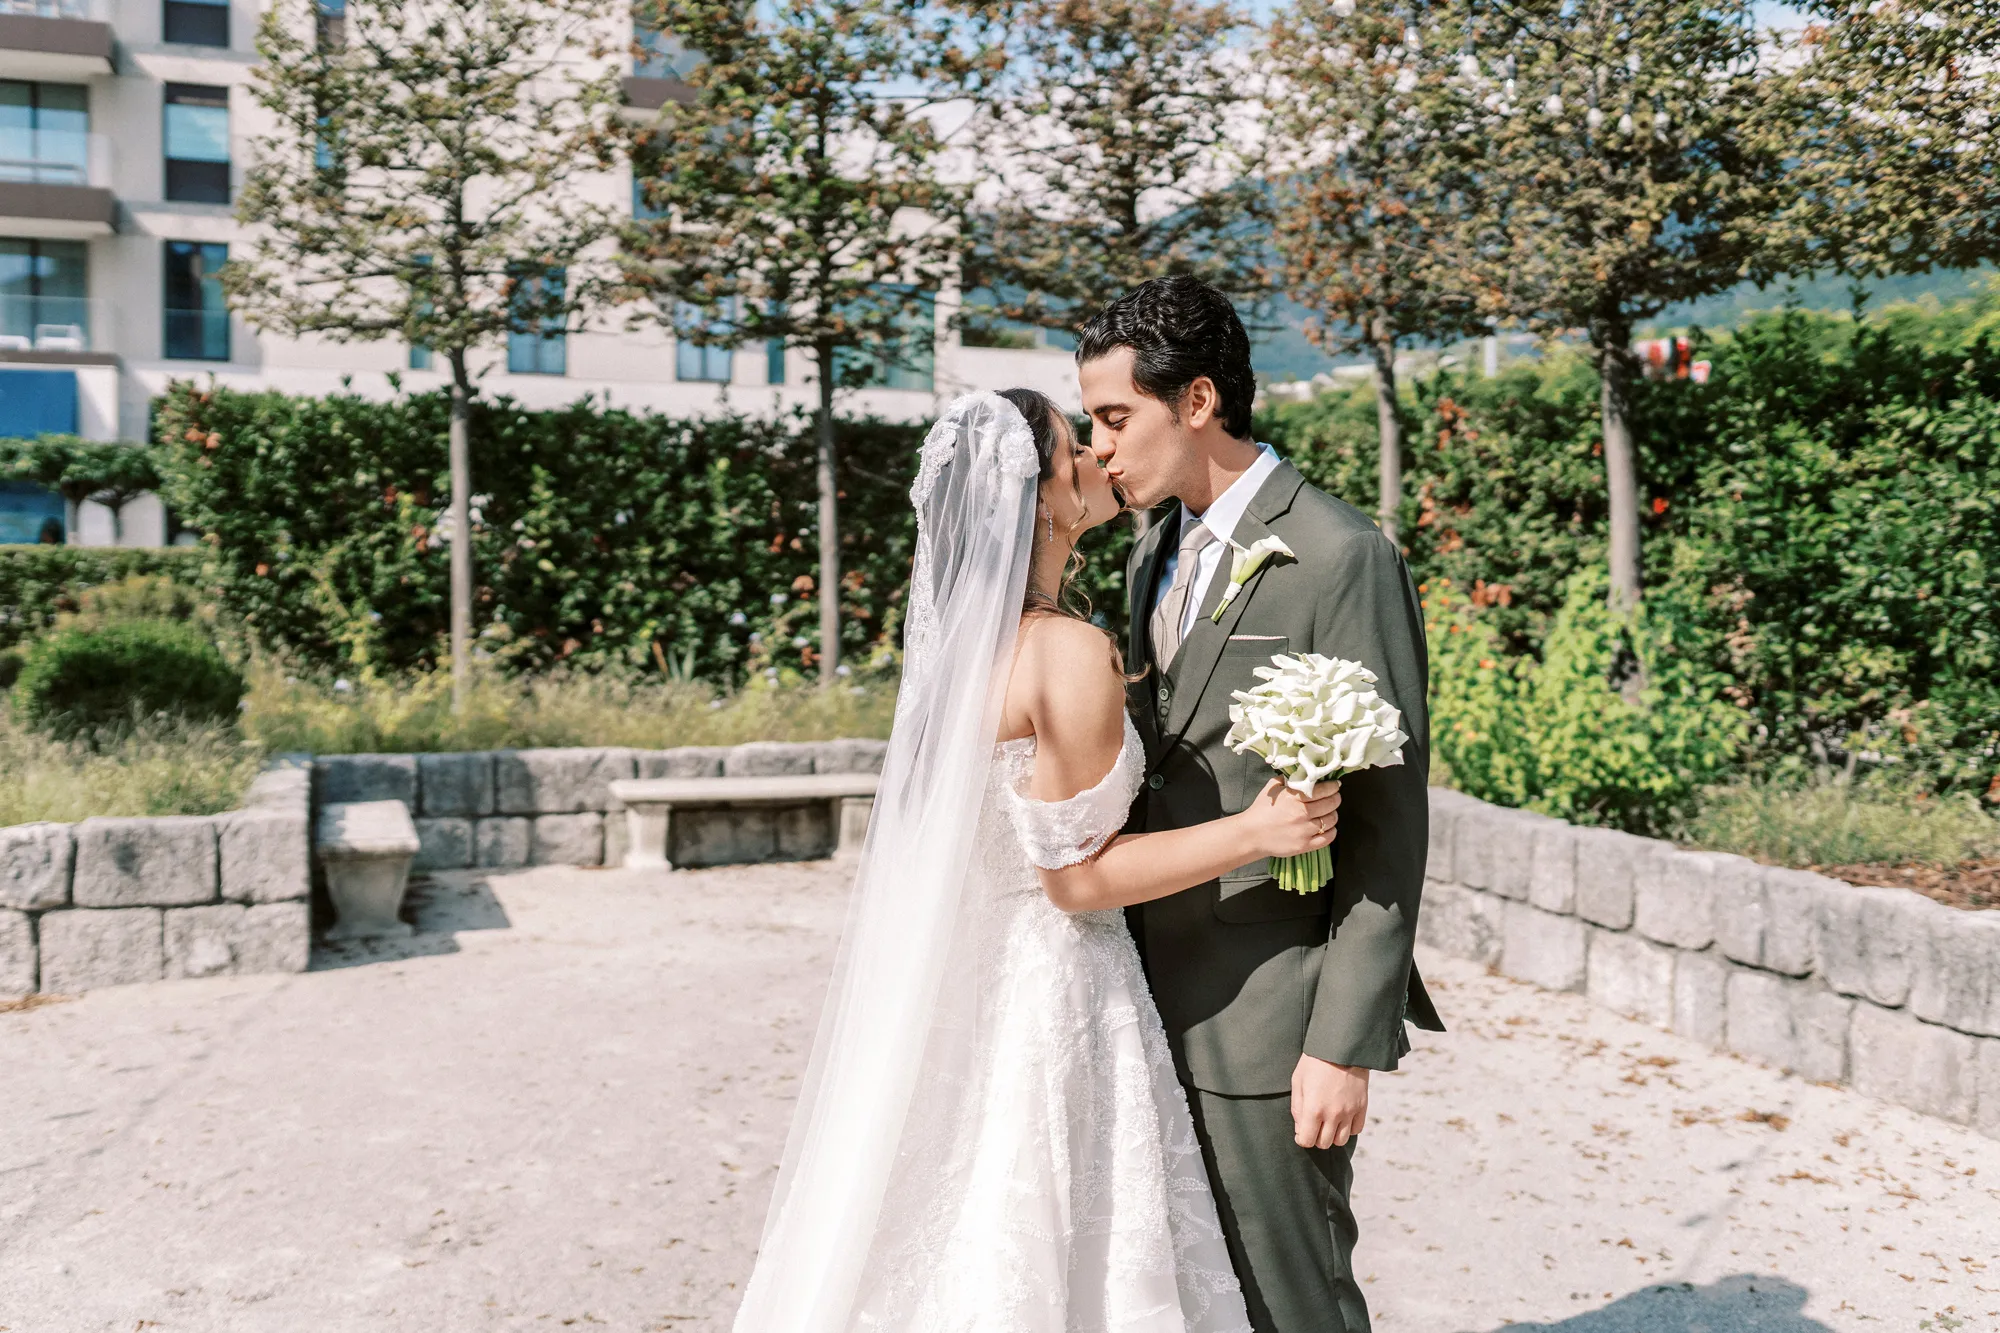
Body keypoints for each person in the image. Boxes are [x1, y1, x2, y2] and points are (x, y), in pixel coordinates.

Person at [731, 388, 1343, 1331]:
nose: (1099, 455)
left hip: (970, 988)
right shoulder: (1064, 649)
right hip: (1061, 986)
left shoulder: (953, 659)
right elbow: (1074, 879)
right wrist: (1255, 832)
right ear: (1044, 497)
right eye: (1074, 449)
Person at [1078, 275, 1444, 1333]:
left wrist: (1342, 1043)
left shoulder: (1340, 554)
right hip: (1145, 997)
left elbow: (1388, 821)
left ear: (1196, 400)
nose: (1099, 448)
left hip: (1272, 1018)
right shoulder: (1152, 548)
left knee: (1293, 1302)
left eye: (1115, 418)